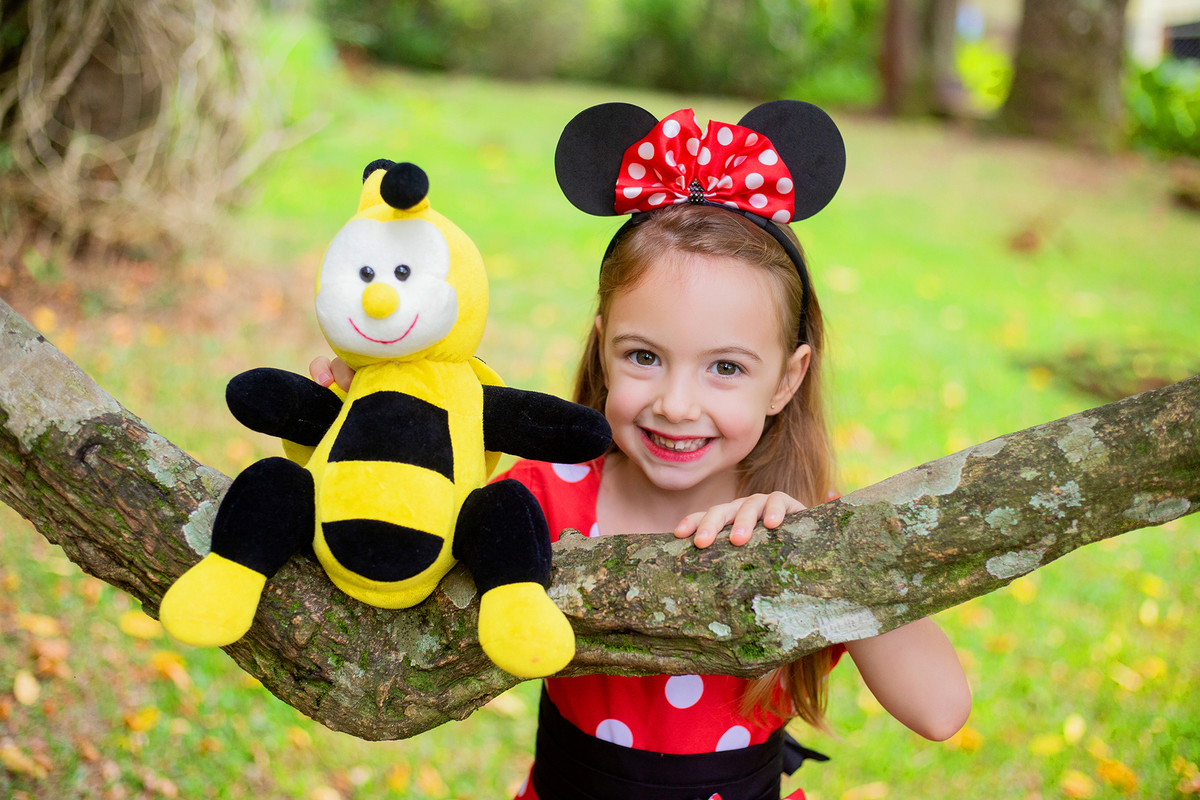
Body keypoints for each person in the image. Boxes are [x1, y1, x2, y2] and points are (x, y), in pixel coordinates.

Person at [311, 101, 971, 800]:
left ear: (787, 378)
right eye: (645, 356)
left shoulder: (804, 526)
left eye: (725, 367)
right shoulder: (541, 498)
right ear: (603, 347)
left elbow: (940, 709)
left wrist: (819, 553)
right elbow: (386, 585)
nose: (676, 404)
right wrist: (374, 433)